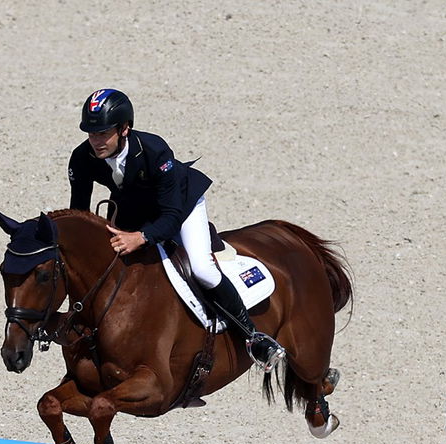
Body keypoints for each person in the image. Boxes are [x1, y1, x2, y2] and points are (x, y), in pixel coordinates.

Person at [67, 88, 284, 367]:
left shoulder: (155, 151)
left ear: (124, 129)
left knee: (201, 269)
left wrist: (141, 237)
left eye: (103, 133)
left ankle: (253, 338)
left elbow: (170, 217)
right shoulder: (82, 158)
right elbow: (79, 213)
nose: (96, 141)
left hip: (181, 205)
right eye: (91, 133)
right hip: (134, 204)